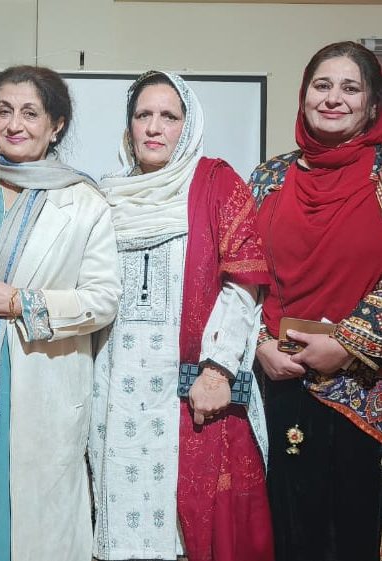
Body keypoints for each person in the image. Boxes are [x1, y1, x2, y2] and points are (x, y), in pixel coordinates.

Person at [0, 65, 121, 561]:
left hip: (39, 386)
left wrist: (20, 302)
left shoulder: (83, 202)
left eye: (30, 113)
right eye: (4, 110)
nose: (14, 124)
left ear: (56, 126)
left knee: (27, 528)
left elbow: (103, 299)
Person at [88, 70, 273, 561]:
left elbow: (243, 285)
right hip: (114, 388)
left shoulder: (216, 183)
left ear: (187, 126)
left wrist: (217, 371)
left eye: (168, 116)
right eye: (143, 115)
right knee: (119, 517)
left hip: (193, 387)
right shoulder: (105, 196)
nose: (154, 127)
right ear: (129, 124)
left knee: (190, 528)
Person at [250, 41, 382, 561]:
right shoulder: (266, 178)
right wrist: (258, 344)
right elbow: (238, 277)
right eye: (321, 85)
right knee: (281, 532)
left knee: (350, 533)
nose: (333, 98)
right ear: (304, 95)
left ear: (372, 105)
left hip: (363, 390)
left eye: (350, 88)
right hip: (274, 380)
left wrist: (347, 345)